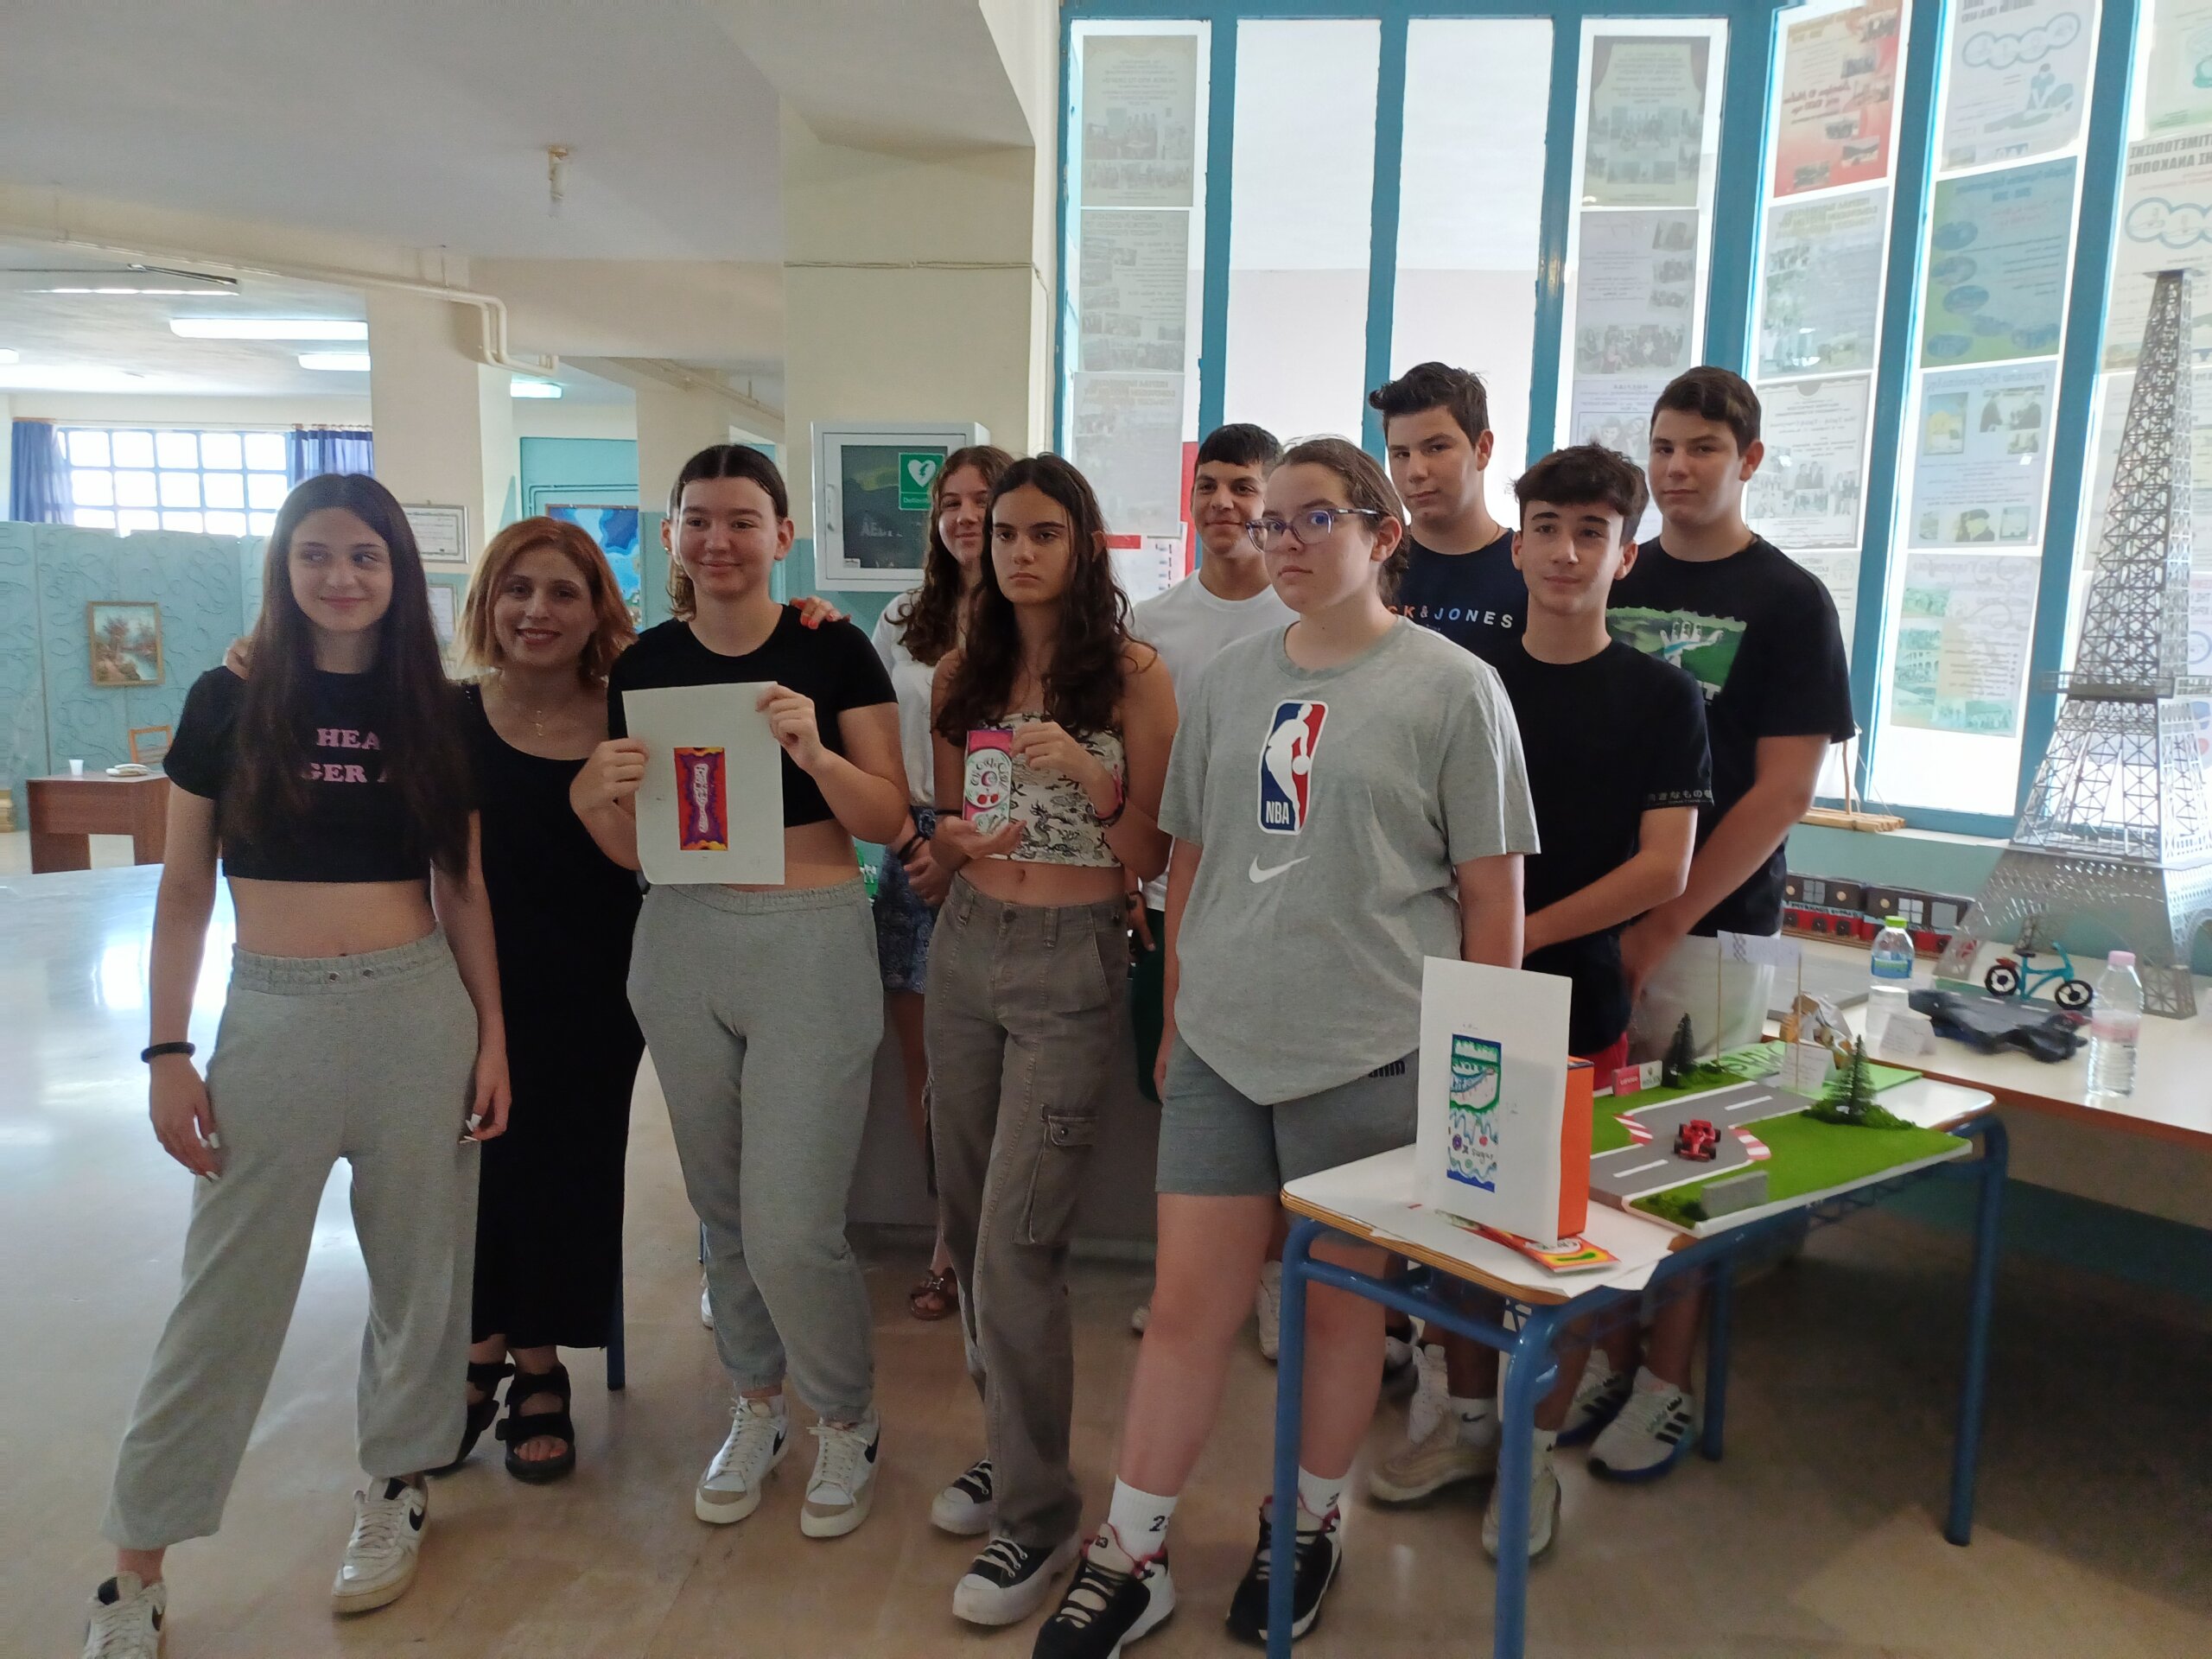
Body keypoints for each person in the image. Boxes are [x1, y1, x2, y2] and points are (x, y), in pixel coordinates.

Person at [1033, 438, 1536, 1656]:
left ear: (1381, 533)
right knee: (1189, 1305)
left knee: (1337, 1312)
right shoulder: (1231, 681)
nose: (1287, 542)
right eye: (1274, 523)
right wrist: (1178, 1015)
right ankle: (1132, 1550)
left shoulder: (1452, 688)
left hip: (1368, 1052)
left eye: (1316, 519)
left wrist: (1478, 1088)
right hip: (1223, 1044)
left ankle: (1307, 1524)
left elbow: (1493, 902)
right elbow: (1192, 858)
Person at [82, 474, 508, 1659]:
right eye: (315, 553)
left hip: (417, 1013)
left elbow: (463, 886)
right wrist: (167, 1051)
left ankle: (395, 1484)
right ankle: (135, 1568)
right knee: (225, 1298)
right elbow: (182, 892)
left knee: (421, 1281)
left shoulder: (441, 711)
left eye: (365, 555)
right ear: (282, 565)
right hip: (271, 1019)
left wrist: (492, 1036)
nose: (341, 576)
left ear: (398, 571)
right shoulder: (227, 698)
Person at [1366, 444, 1710, 1557]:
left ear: (1625, 556)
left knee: (1566, 1248)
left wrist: (1518, 937)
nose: (1566, 552)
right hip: (1456, 1001)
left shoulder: (1664, 697)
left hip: (1574, 1007)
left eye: (1592, 532)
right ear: (1516, 547)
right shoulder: (1458, 678)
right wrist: (1476, 950)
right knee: (1460, 1232)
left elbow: (1663, 867)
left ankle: (1533, 1454)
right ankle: (1469, 1427)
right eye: (1548, 529)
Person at [571, 443, 907, 1538]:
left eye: (742, 520)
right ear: (671, 533)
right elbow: (638, 850)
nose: (718, 541)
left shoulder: (831, 646)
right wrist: (592, 802)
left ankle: (845, 1417)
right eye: (698, 520)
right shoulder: (644, 665)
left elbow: (888, 818)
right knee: (720, 1211)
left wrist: (813, 753)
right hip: (680, 941)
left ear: (782, 535)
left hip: (809, 939)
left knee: (791, 1224)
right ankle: (756, 1405)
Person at [923, 454, 1177, 1627]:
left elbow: (1154, 854)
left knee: (1019, 1244)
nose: (1019, 552)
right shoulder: (961, 672)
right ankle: (1009, 1444)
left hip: (1074, 958)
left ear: (1082, 544)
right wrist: (952, 845)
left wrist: (1086, 772)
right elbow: (946, 830)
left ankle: (1037, 1521)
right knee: (969, 1218)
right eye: (1003, 534)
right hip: (968, 949)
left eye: (1043, 533)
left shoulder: (1132, 675)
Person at [1593, 367, 1855, 1482]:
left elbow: (1780, 795)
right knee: (1598, 1161)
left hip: (1714, 928)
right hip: (1598, 919)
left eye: (1702, 448)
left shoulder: (1790, 600)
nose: (1677, 468)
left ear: (1747, 461)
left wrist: (1663, 922)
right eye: (1662, 446)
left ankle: (1666, 1386)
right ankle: (1607, 1358)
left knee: (1688, 1163)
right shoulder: (1616, 571)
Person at [448, 517, 645, 1481]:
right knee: (478, 1169)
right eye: (517, 589)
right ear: (487, 602)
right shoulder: (448, 716)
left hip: (599, 986)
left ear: (597, 609)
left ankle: (535, 1360)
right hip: (467, 976)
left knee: (566, 1167)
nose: (538, 610)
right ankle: (484, 1347)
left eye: (563, 591)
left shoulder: (630, 713)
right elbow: (459, 878)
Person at [1123, 421, 1290, 1342]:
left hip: (1274, 901)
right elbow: (1134, 774)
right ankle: (1189, 1286)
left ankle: (1271, 1285)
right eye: (1210, 486)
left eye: (1244, 487)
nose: (1224, 503)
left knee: (1281, 1101)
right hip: (1170, 898)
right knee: (1183, 1096)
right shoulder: (1153, 625)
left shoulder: (1301, 616)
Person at [871, 443, 1015, 1321]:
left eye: (983, 499)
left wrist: (967, 846)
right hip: (914, 843)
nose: (965, 516)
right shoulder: (902, 617)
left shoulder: (1035, 612)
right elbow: (872, 739)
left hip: (1005, 842)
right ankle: (946, 1242)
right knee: (930, 1071)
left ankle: (1005, 1248)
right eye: (950, 502)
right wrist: (909, 841)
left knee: (999, 1066)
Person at [1373, 360, 1523, 666]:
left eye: (1436, 448)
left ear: (1482, 449)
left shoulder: (1530, 571)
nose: (1415, 471)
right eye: (1401, 454)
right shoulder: (1370, 566)